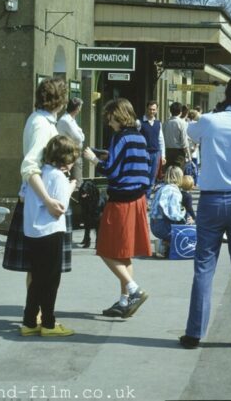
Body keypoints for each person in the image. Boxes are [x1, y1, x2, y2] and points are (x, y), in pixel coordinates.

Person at [180, 75, 231, 349]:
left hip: (211, 202)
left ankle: (194, 333)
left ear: (227, 95)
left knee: (204, 266)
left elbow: (189, 132)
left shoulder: (210, 122)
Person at [83, 98, 151, 318]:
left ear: (118, 115)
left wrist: (93, 159)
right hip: (138, 199)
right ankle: (124, 302)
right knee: (124, 254)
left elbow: (111, 170)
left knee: (105, 250)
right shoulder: (139, 137)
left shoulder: (119, 137)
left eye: (110, 117)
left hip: (120, 201)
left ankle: (133, 290)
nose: (108, 121)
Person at [4, 78, 70, 294]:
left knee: (38, 266)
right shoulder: (42, 125)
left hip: (39, 201)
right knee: (42, 266)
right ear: (60, 100)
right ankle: (37, 316)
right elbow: (30, 166)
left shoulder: (41, 120)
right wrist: (48, 201)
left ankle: (36, 315)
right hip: (40, 204)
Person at [20, 135, 79, 337]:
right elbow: (60, 207)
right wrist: (72, 186)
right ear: (65, 158)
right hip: (51, 231)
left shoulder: (38, 172)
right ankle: (48, 323)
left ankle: (29, 321)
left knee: (37, 279)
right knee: (51, 280)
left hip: (33, 231)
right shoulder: (58, 177)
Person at [150, 166, 191, 257]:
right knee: (187, 223)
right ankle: (170, 243)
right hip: (163, 227)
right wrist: (186, 216)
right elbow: (174, 214)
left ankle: (166, 243)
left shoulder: (161, 188)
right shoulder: (174, 191)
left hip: (154, 225)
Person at [56, 97, 85, 187]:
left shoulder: (71, 120)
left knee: (76, 182)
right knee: (76, 183)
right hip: (70, 155)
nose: (80, 110)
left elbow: (81, 136)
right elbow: (80, 138)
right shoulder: (66, 121)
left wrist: (80, 133)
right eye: (79, 107)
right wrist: (80, 132)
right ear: (76, 108)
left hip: (74, 154)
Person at [139, 101, 165, 194]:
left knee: (152, 178)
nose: (151, 111)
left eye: (154, 109)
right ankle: (142, 199)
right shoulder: (139, 122)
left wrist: (163, 156)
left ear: (157, 110)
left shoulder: (158, 123)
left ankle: (146, 200)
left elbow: (161, 140)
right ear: (146, 109)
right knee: (144, 176)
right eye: (150, 109)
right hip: (144, 153)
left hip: (155, 153)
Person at [164, 101, 190, 169]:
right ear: (180, 112)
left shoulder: (165, 123)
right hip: (179, 152)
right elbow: (184, 142)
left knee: (168, 173)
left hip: (167, 151)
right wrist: (189, 155)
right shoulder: (182, 123)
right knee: (178, 174)